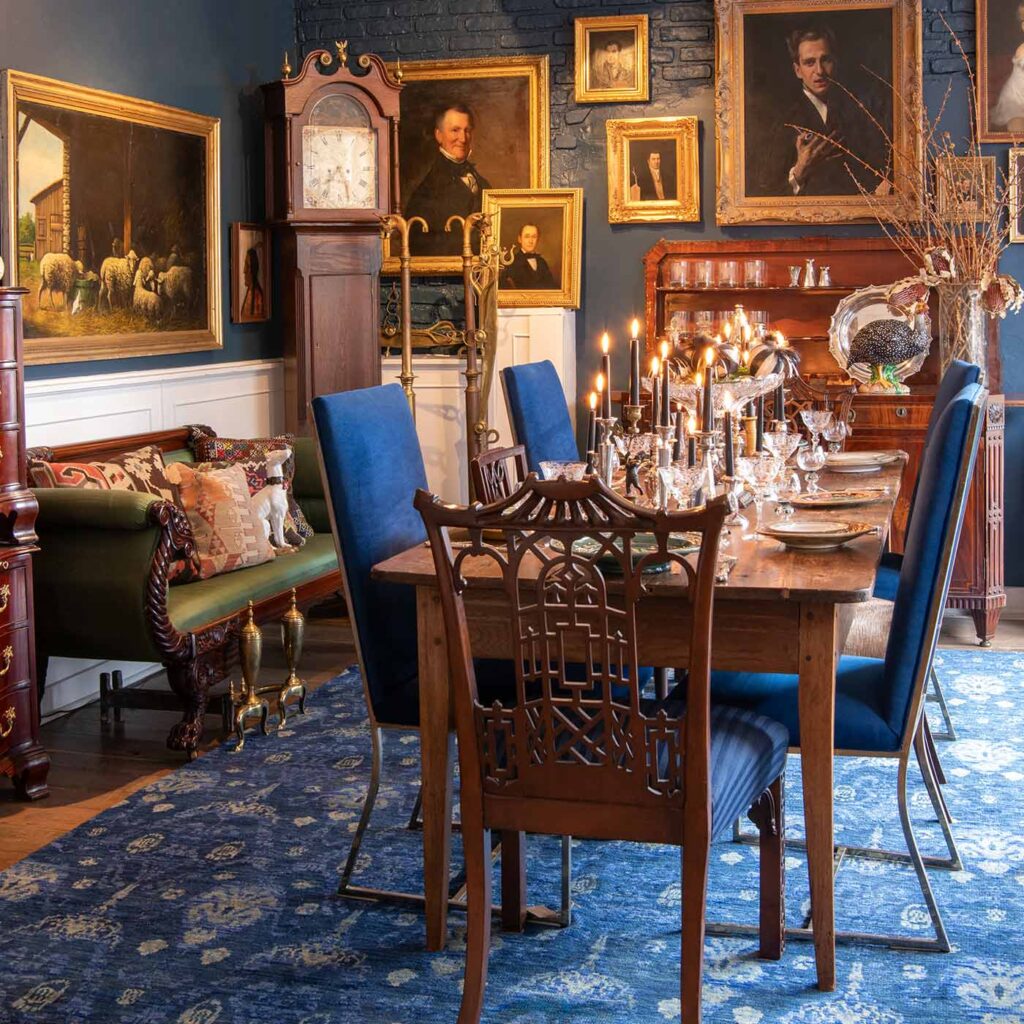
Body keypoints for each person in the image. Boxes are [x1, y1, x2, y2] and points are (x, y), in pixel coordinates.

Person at [758, 26, 888, 197]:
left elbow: (881, 167)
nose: (819, 71)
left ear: (835, 62)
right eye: (809, 62)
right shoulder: (782, 121)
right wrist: (799, 171)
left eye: (825, 60)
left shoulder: (859, 110)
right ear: (798, 70)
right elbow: (765, 193)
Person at [404, 103, 491, 257]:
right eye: (455, 130)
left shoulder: (483, 183)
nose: (463, 138)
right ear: (439, 135)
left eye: (467, 131)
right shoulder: (426, 192)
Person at [500, 223, 557, 290]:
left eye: (534, 237)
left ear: (537, 239)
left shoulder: (542, 262)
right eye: (527, 236)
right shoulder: (511, 262)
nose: (530, 241)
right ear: (520, 239)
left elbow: (551, 286)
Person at [241, 246, 265, 320]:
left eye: (247, 266)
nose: (244, 271)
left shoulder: (258, 297)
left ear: (253, 270)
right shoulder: (249, 293)